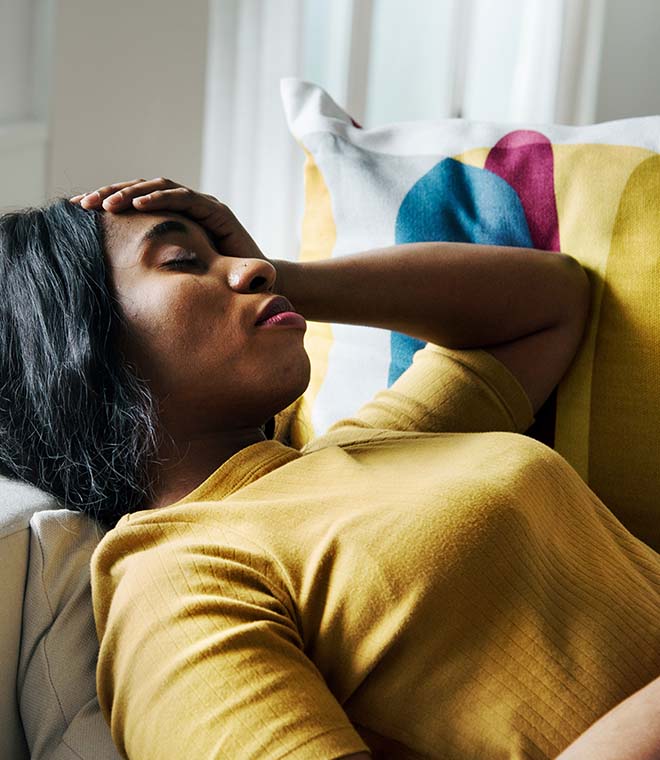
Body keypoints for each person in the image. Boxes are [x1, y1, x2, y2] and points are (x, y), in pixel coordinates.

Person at [0, 177, 657, 760]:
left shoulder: (369, 444)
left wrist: (284, 278)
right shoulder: (173, 581)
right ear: (76, 349)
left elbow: (552, 303)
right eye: (181, 261)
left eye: (231, 256)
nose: (246, 270)